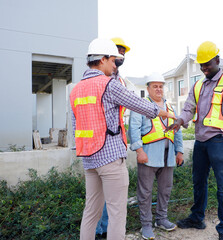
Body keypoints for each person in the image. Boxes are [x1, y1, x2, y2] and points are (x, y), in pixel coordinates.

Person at [70, 38, 176, 240]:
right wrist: (166, 113)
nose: (114, 65)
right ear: (102, 59)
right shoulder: (108, 84)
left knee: (90, 212)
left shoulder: (76, 89)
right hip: (110, 158)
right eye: (112, 61)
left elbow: (77, 127)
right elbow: (139, 104)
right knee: (117, 213)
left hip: (89, 159)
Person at [165, 41, 223, 240]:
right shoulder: (198, 85)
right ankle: (197, 218)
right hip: (201, 142)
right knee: (198, 181)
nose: (204, 68)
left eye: (207, 64)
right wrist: (180, 121)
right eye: (201, 65)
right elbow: (188, 108)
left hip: (220, 141)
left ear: (217, 60)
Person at [128, 73, 184, 240]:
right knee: (145, 192)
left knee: (165, 190)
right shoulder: (141, 106)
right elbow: (134, 130)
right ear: (148, 88)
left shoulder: (170, 107)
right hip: (148, 156)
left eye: (161, 86)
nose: (159, 89)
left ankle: (161, 219)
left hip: (168, 157)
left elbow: (177, 130)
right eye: (155, 86)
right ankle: (146, 224)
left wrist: (179, 151)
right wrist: (139, 151)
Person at [94, 37, 131, 240]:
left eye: (124, 53)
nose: (122, 56)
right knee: (98, 197)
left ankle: (107, 230)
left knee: (113, 198)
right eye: (118, 51)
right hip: (100, 143)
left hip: (115, 141)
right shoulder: (101, 78)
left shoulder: (121, 81)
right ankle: (99, 231)